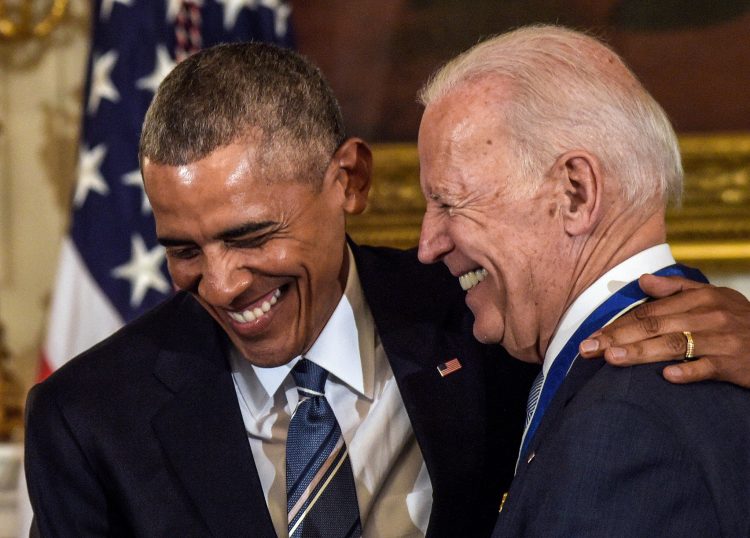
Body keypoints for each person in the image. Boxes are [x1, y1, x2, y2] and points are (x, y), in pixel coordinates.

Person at [24, 41, 749, 538]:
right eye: (183, 249)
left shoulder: (485, 320)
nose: (219, 283)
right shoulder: (88, 419)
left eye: (250, 236)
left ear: (349, 180)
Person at [416, 25, 750, 536]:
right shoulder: (695, 370)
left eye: (449, 202)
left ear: (576, 192)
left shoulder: (625, 425)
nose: (428, 244)